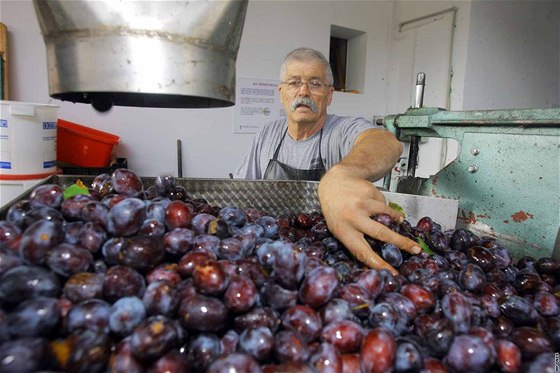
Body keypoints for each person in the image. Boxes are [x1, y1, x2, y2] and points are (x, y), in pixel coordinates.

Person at [234, 47, 420, 274]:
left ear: (330, 95)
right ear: (281, 92)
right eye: (294, 83)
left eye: (315, 83)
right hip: (273, 253)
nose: (303, 92)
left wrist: (343, 174)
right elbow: (241, 195)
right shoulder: (267, 134)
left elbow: (387, 143)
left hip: (327, 258)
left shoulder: (342, 130)